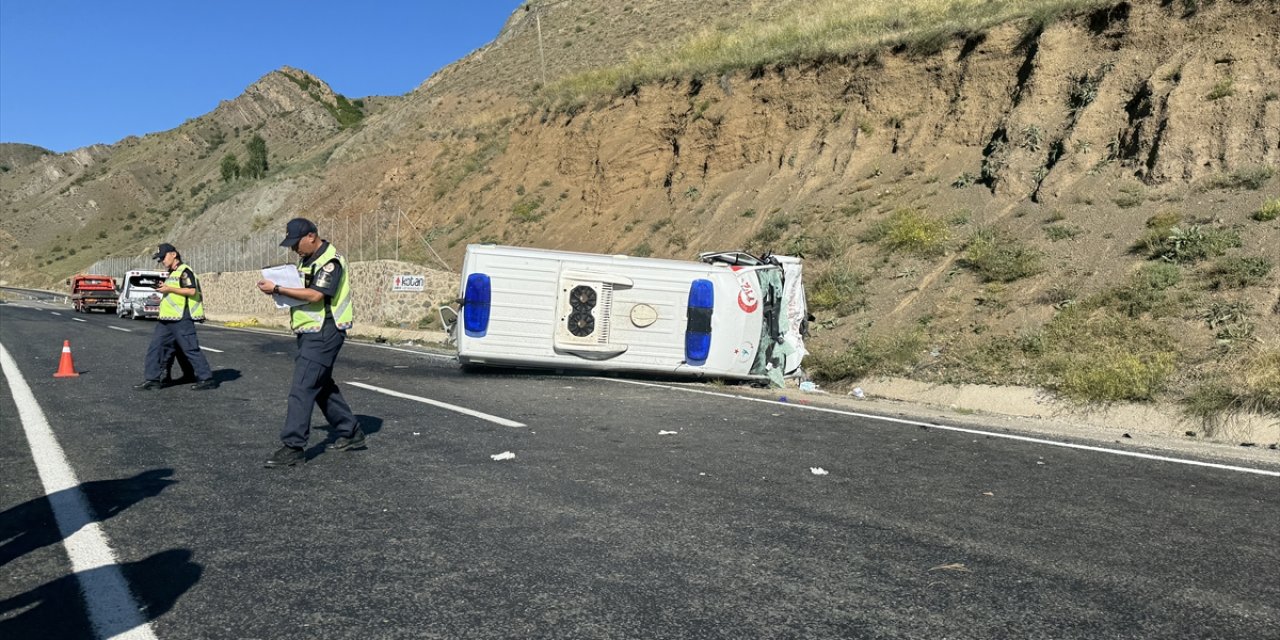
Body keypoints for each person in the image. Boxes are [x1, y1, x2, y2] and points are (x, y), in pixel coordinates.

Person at [257, 218, 365, 468]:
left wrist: (278, 289)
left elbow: (317, 294)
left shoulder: (330, 262)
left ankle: (293, 446)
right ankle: (351, 431)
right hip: (311, 330)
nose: (294, 249)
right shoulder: (308, 260)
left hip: (325, 331)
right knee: (321, 385)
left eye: (297, 243)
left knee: (303, 386)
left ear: (311, 236)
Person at [133, 243, 218, 391]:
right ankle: (153, 379)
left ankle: (206, 378)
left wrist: (169, 288)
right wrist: (164, 287)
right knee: (156, 348)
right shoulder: (172, 273)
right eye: (159, 259)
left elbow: (192, 291)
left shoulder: (185, 271)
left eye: (163, 257)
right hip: (167, 318)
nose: (162, 261)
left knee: (190, 348)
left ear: (173, 254)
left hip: (181, 317)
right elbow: (174, 292)